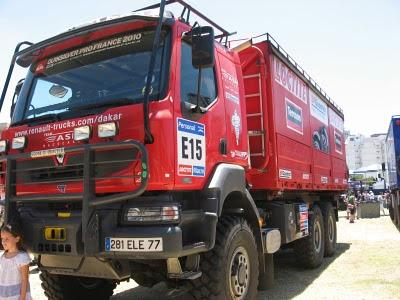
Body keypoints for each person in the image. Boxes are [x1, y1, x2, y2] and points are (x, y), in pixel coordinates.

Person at [0, 223, 32, 300]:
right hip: (4, 295)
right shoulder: (3, 257)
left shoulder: (22, 258)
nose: (3, 242)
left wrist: (22, 298)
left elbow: (25, 280)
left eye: (7, 239)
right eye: (2, 239)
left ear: (17, 239)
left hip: (17, 296)